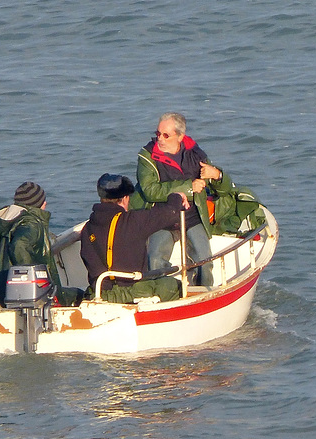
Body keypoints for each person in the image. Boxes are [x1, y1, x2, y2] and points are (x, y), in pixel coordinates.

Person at [130, 112, 235, 286]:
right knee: (155, 260)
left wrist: (217, 175)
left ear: (180, 136)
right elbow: (150, 191)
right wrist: (188, 187)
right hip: (162, 217)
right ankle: (163, 294)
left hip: (192, 217)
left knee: (205, 261)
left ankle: (203, 293)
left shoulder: (195, 154)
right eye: (158, 134)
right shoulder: (147, 157)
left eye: (166, 135)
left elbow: (224, 188)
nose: (160, 139)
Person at [0, 181, 83, 307]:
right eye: (43, 201)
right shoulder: (32, 224)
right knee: (79, 295)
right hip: (18, 296)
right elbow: (19, 245)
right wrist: (31, 277)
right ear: (40, 204)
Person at [80, 173, 190, 304]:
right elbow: (170, 213)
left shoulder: (88, 228)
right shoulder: (132, 221)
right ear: (125, 198)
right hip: (129, 292)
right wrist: (177, 196)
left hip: (99, 293)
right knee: (173, 286)